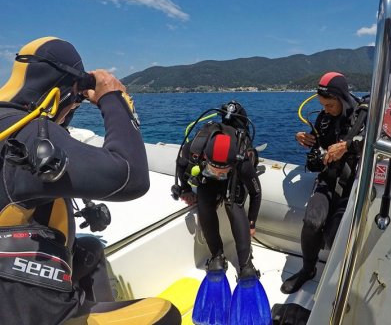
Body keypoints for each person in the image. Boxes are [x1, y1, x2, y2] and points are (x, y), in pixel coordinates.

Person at [0, 37, 181, 324]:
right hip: (30, 312)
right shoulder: (30, 134)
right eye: (74, 103)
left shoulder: (7, 124)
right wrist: (113, 98)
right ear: (61, 95)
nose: (71, 112)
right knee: (166, 314)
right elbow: (130, 176)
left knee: (91, 250)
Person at [280, 72, 368, 294]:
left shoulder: (366, 116)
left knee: (335, 233)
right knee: (311, 223)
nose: (326, 109)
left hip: (355, 184)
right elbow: (318, 147)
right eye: (323, 105)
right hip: (329, 179)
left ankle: (342, 279)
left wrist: (347, 146)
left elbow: (379, 141)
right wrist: (306, 139)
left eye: (330, 105)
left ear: (342, 97)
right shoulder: (324, 118)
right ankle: (308, 269)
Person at [176, 102, 262, 278]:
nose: (218, 174)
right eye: (214, 169)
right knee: (204, 203)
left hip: (234, 180)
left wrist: (252, 222)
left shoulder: (242, 162)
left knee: (234, 206)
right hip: (208, 180)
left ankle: (246, 263)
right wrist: (185, 189)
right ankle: (217, 255)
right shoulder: (196, 148)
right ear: (205, 158)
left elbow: (256, 192)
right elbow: (181, 163)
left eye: (222, 171)